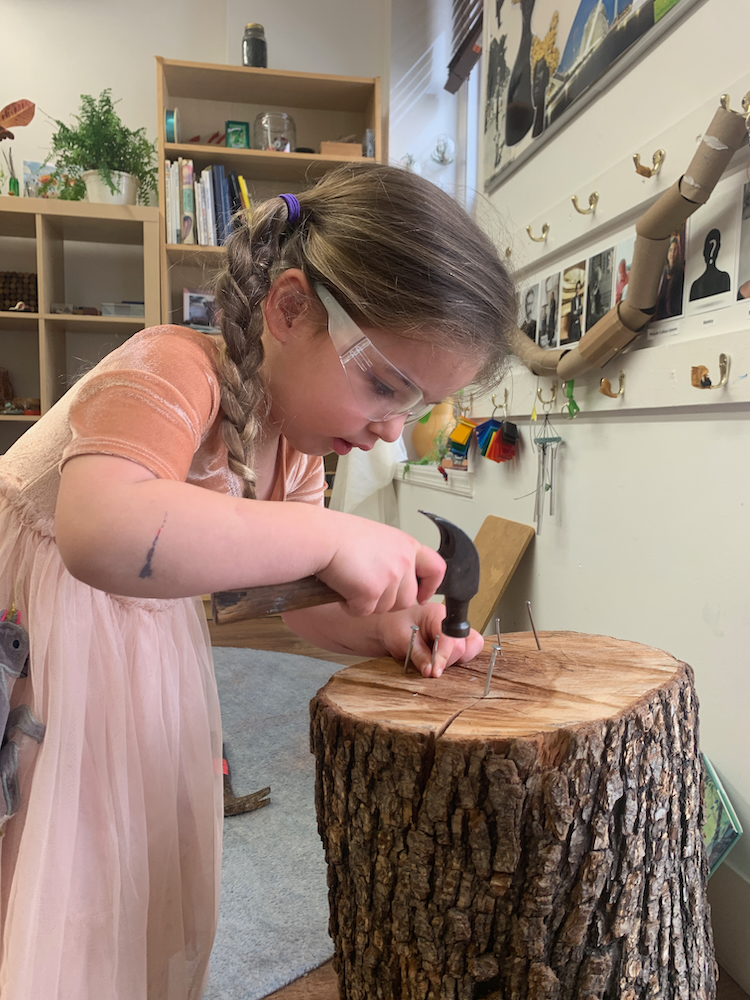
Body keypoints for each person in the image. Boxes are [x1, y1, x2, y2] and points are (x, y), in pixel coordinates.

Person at [0, 162, 516, 999]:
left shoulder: (300, 446)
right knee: (50, 862)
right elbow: (102, 533)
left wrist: (387, 626)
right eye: (385, 384)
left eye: (418, 408)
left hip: (133, 658)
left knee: (129, 864)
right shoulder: (173, 365)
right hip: (33, 643)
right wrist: (328, 533)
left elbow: (279, 601)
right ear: (288, 310)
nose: (391, 431)